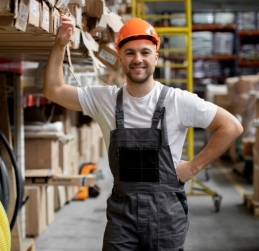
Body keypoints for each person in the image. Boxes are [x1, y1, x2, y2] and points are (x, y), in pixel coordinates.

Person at [43, 15, 243, 251]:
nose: (138, 59)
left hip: (166, 213)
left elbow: (231, 126)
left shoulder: (177, 101)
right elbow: (53, 90)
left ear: (156, 57)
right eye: (130, 53)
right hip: (122, 214)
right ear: (120, 58)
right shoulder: (104, 99)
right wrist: (60, 44)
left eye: (145, 52)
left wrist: (192, 168)